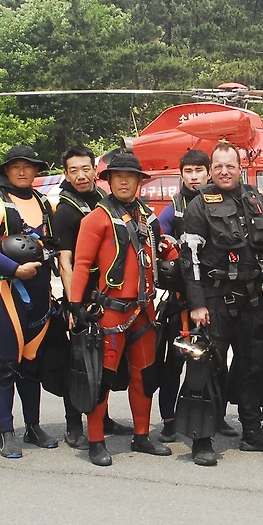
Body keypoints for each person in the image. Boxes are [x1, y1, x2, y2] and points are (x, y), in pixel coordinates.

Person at [179, 142, 263, 463]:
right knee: (207, 368)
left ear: (240, 166)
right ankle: (202, 438)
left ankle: (252, 431)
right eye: (218, 166)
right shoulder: (199, 206)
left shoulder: (257, 200)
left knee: (253, 366)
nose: (224, 171)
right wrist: (197, 302)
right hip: (214, 301)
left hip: (253, 300)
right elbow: (190, 259)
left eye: (230, 166)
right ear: (211, 169)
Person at [69, 152, 175, 466]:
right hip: (110, 314)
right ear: (110, 181)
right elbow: (82, 264)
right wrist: (76, 306)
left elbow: (162, 247)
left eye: (131, 176)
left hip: (144, 313)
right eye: (118, 177)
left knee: (146, 377)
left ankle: (142, 435)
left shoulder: (148, 217)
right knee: (100, 379)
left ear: (140, 182)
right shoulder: (96, 217)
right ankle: (96, 440)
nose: (125, 181)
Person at [0, 145, 59, 459]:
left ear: (36, 171)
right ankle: (6, 431)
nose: (22, 172)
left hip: (41, 293)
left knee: (32, 365)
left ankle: (32, 426)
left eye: (28, 166)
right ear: (6, 171)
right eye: (15, 166)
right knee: (8, 364)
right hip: (10, 293)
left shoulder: (44, 203)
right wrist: (13, 268)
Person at [52, 144, 132, 448]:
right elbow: (66, 262)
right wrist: (74, 304)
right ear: (66, 174)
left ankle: (104, 416)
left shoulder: (103, 200)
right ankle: (74, 424)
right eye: (73, 170)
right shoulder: (65, 211)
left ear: (95, 170)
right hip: (83, 296)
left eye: (85, 169)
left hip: (107, 293)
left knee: (106, 360)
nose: (81, 175)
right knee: (80, 360)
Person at [153, 149, 212, 441]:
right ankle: (169, 418)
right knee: (174, 361)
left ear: (209, 172)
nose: (194, 176)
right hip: (180, 299)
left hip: (211, 295)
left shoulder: (219, 202)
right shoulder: (173, 208)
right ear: (182, 174)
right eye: (188, 171)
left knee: (210, 360)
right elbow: (156, 239)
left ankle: (211, 417)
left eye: (199, 170)